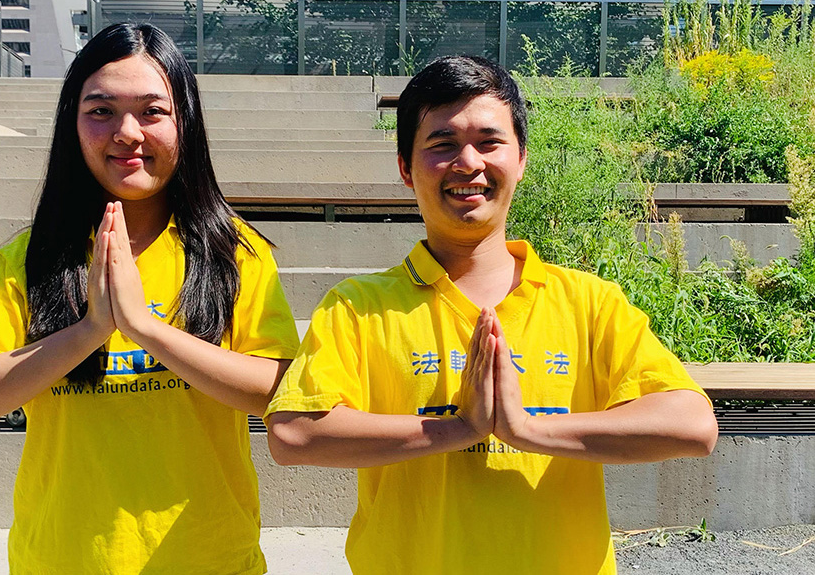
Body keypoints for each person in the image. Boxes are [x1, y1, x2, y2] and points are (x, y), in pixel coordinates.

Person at [264, 55, 718, 575]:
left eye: (489, 141)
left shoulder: (589, 301)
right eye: (442, 144)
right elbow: (293, 433)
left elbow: (692, 424)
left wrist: (524, 429)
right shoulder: (358, 306)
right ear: (405, 168)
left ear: (521, 158)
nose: (468, 162)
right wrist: (458, 428)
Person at [0, 23, 300, 574]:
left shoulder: (234, 252)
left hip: (207, 558)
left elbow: (281, 394)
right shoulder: (29, 259)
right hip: (62, 559)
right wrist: (89, 331)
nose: (127, 133)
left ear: (185, 123)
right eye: (101, 111)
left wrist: (146, 330)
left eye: (152, 111)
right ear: (72, 123)